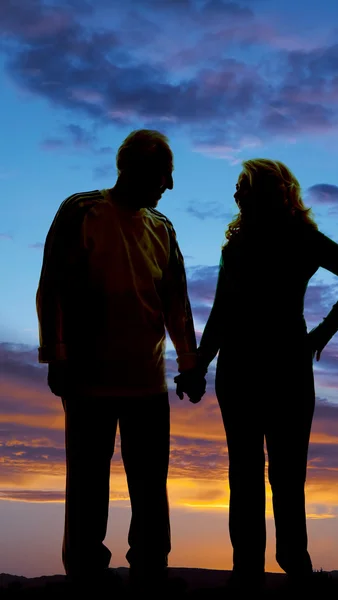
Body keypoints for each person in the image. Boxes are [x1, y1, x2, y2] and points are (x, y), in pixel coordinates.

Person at [176, 158, 338, 593]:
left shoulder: (301, 237)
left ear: (267, 192)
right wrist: (198, 365)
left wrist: (320, 335)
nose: (235, 194)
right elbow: (223, 312)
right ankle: (248, 573)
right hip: (245, 369)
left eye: (243, 187)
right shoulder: (238, 246)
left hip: (284, 370)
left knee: (283, 476)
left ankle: (292, 565)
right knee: (248, 474)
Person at [36, 129, 206, 593]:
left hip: (148, 384)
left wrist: (189, 363)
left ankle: (150, 574)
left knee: (151, 491)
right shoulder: (81, 211)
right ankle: (86, 579)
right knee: (87, 488)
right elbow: (53, 284)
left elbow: (177, 302)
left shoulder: (162, 228)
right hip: (88, 379)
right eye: (163, 175)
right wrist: (57, 354)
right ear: (131, 168)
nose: (168, 187)